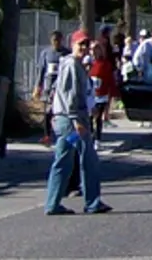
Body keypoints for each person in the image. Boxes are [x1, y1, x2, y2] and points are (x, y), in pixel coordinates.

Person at [46, 33, 111, 214]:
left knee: (64, 160)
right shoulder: (71, 65)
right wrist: (76, 121)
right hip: (71, 123)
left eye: (86, 44)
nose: (83, 47)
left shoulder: (76, 65)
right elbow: (70, 96)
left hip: (70, 120)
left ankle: (53, 203)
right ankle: (92, 202)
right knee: (88, 159)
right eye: (80, 44)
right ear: (73, 44)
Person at [88, 32, 119, 139]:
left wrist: (113, 93)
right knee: (89, 117)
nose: (94, 52)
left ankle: (97, 138)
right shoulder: (88, 63)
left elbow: (110, 80)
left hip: (101, 95)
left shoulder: (105, 64)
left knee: (97, 118)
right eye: (92, 50)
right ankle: (91, 135)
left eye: (96, 49)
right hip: (90, 95)